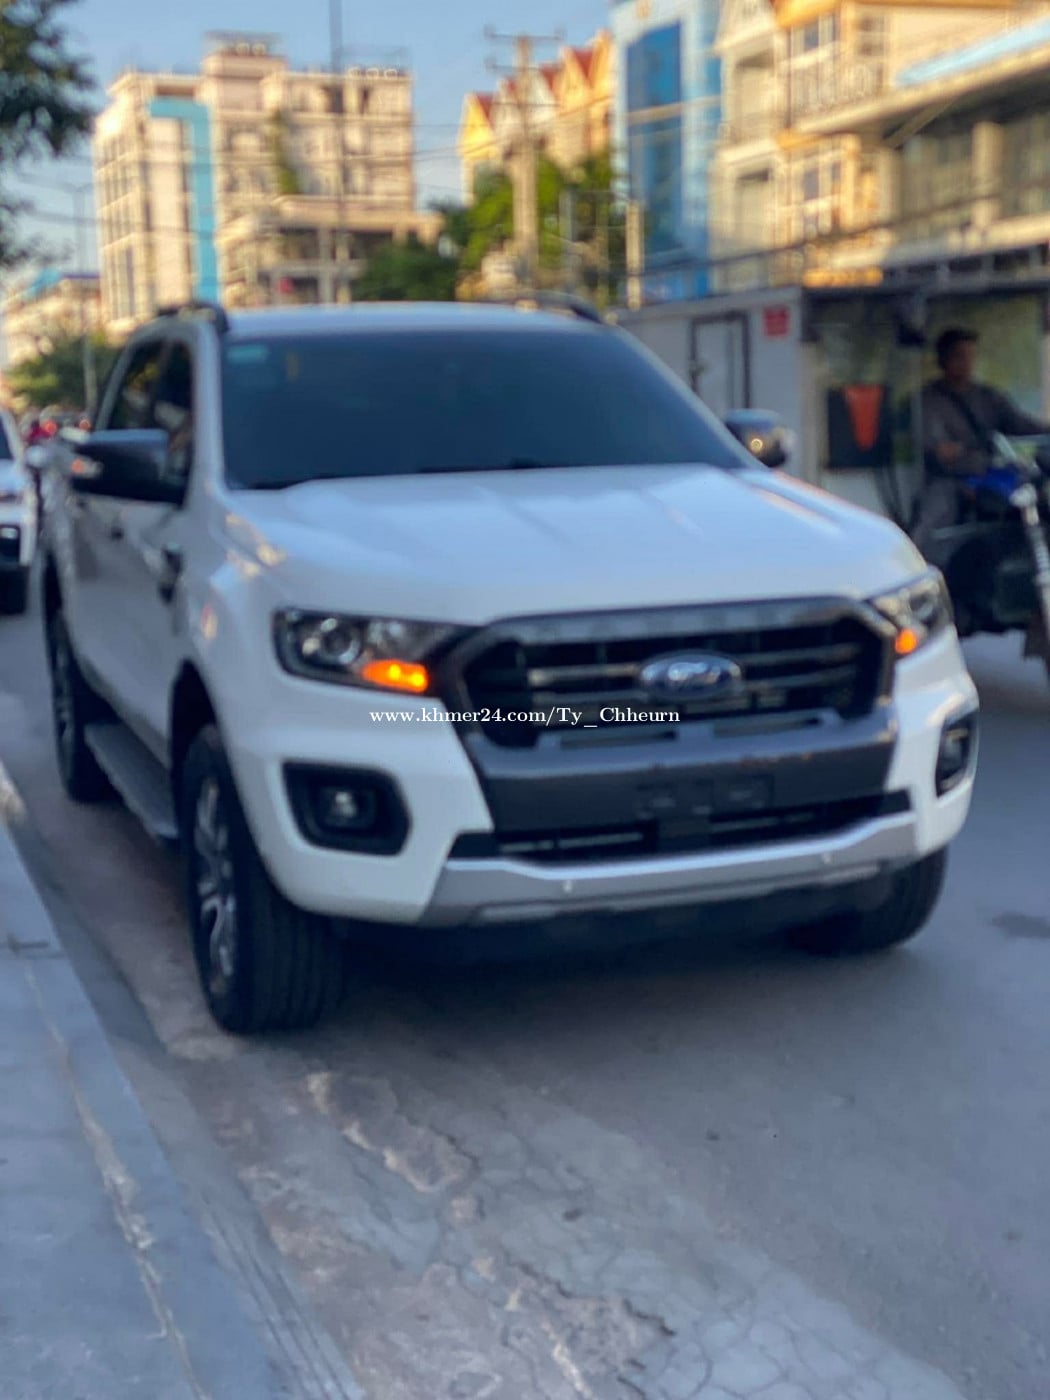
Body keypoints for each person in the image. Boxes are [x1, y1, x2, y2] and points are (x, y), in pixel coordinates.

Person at [915, 327, 1049, 545]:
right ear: (943, 360)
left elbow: (1022, 424)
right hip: (951, 480)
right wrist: (958, 450)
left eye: (971, 356)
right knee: (935, 513)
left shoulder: (988, 397)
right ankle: (920, 557)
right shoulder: (929, 401)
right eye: (959, 356)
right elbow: (939, 451)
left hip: (991, 473)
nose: (967, 363)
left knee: (1036, 500)